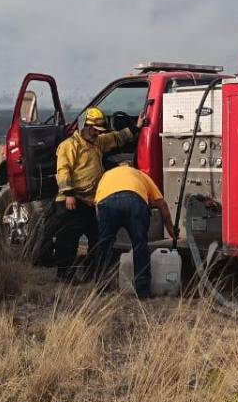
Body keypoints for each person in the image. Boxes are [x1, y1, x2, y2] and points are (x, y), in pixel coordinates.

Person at [52, 107, 139, 281]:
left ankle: (90, 272)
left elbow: (116, 138)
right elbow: (63, 170)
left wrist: (136, 128)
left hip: (90, 201)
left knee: (98, 238)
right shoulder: (69, 146)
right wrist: (68, 193)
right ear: (86, 126)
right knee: (68, 240)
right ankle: (65, 275)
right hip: (72, 200)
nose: (97, 134)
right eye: (95, 131)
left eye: (99, 131)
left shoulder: (98, 142)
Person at [90, 164, 177, 298]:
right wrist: (171, 231)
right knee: (140, 246)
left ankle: (101, 288)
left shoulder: (106, 175)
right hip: (134, 201)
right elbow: (162, 204)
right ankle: (142, 292)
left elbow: (97, 204)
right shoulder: (140, 174)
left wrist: (102, 229)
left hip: (107, 203)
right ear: (131, 167)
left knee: (104, 246)